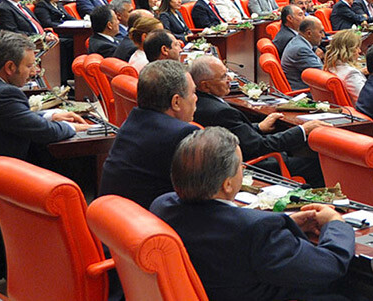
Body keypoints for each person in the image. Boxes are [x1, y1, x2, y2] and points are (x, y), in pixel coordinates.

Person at [151, 128, 356, 301]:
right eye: (240, 166)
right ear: (227, 184)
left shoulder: (162, 206)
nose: (243, 171)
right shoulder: (256, 230)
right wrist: (335, 222)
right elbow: (329, 265)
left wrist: (285, 224)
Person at [0, 31, 90, 272]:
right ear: (10, 67)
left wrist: (49, 114)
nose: (34, 72)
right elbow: (48, 134)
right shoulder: (3, 94)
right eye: (30, 65)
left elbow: (12, 118)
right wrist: (68, 126)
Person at [189, 56, 327, 186]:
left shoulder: (198, 102)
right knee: (318, 165)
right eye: (223, 77)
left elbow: (233, 133)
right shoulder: (221, 112)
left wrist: (258, 127)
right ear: (205, 86)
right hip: (255, 166)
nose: (230, 79)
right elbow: (260, 147)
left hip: (231, 159)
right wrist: (303, 130)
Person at [98, 60, 199, 208]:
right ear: (176, 102)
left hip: (114, 221)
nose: (196, 98)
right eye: (193, 93)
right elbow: (204, 194)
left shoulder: (131, 122)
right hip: (152, 224)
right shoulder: (183, 134)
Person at [281, 17, 325, 92]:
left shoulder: (298, 41)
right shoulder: (301, 50)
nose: (323, 36)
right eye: (320, 32)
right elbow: (322, 74)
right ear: (309, 33)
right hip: (305, 93)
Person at [323, 30, 366, 102]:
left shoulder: (329, 68)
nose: (359, 51)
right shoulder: (351, 74)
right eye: (356, 47)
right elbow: (366, 100)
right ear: (348, 50)